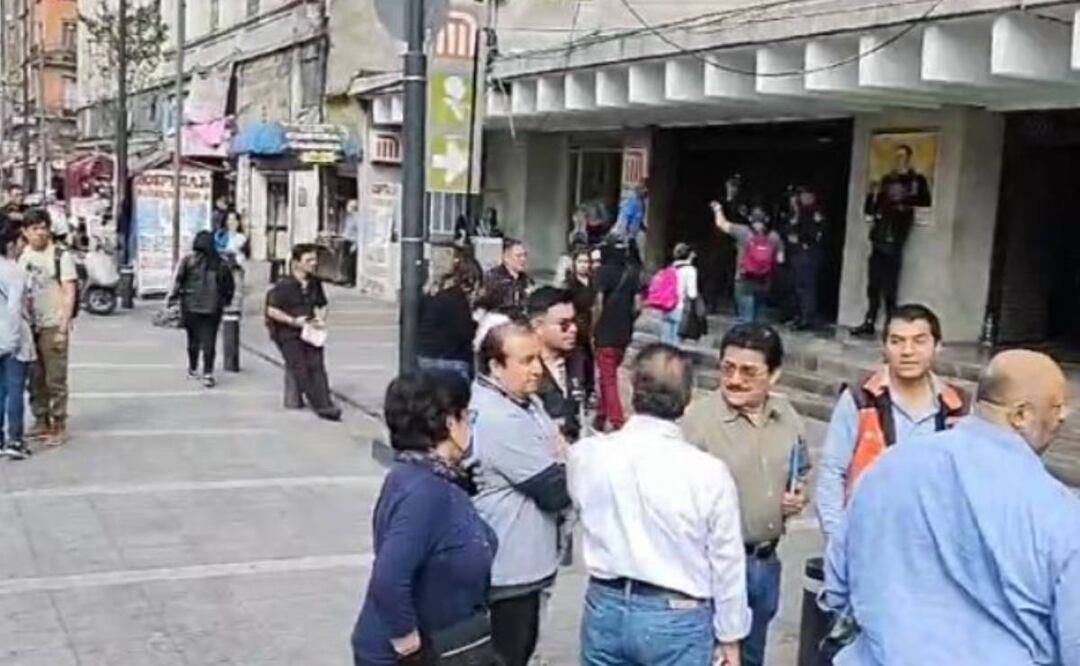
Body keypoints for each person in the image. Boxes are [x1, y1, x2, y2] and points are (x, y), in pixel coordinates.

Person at [822, 349, 1080, 666]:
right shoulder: (1059, 513)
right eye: (1056, 406)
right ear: (1021, 415)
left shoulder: (887, 468)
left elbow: (837, 585)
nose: (1064, 416)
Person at [570, 344, 750, 666]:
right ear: (688, 398)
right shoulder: (708, 473)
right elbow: (727, 562)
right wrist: (730, 636)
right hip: (676, 613)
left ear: (632, 387)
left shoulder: (588, 455)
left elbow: (580, 506)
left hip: (607, 603)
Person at [682, 323, 811, 666]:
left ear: (774, 375)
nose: (735, 379)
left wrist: (799, 497)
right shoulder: (698, 422)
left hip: (764, 562)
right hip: (711, 568)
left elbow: (803, 469)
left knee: (752, 657)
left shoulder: (788, 417)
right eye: (728, 368)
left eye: (749, 372)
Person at [351, 372, 498, 666]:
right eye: (468, 416)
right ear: (450, 424)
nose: (472, 425)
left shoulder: (425, 476)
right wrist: (410, 649)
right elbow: (389, 577)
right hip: (411, 653)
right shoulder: (426, 492)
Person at [814, 304, 968, 543]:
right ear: (885, 347)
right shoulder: (860, 398)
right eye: (897, 341)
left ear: (937, 346)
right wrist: (838, 543)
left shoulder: (957, 407)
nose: (907, 351)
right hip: (868, 539)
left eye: (919, 341)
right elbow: (832, 473)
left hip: (935, 546)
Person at [470, 322, 570, 666]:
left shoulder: (526, 402)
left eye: (538, 359)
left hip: (529, 563)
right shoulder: (499, 417)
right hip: (510, 568)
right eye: (526, 361)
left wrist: (562, 455)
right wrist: (560, 456)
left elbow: (563, 451)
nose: (537, 369)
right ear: (496, 367)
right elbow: (557, 490)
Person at [850, 146, 929, 337]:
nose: (899, 160)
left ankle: (890, 323)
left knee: (890, 286)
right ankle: (869, 320)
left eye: (902, 157)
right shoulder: (887, 180)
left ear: (909, 158)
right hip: (878, 238)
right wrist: (872, 194)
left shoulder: (915, 180)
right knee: (873, 284)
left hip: (894, 239)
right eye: (896, 157)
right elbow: (872, 208)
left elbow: (923, 202)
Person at [19, 208, 77, 447]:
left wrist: (64, 327)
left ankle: (59, 424)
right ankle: (40, 418)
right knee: (34, 378)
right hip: (30, 326)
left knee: (56, 378)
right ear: (25, 232)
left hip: (53, 324)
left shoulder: (60, 255)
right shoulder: (24, 256)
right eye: (35, 229)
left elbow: (69, 291)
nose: (40, 233)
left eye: (44, 227)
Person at [265, 243, 342, 421]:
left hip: (310, 329)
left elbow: (322, 305)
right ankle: (319, 405)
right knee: (301, 367)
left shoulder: (314, 283)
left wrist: (320, 320)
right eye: (309, 260)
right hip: (288, 333)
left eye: (315, 260)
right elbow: (272, 310)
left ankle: (326, 401)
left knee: (317, 365)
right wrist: (293, 321)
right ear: (296, 263)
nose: (313, 263)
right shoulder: (285, 284)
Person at [168, 230, 235, 388]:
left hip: (190, 305)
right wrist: (226, 301)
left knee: (193, 339)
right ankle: (208, 373)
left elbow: (179, 280)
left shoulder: (189, 260)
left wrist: (173, 297)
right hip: (213, 307)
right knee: (209, 340)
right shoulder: (220, 263)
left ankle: (192, 368)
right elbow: (229, 286)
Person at [591, 239, 641, 433]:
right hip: (624, 332)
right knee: (607, 375)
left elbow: (598, 303)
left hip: (605, 331)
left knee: (608, 378)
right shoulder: (632, 274)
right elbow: (638, 306)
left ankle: (616, 419)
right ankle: (601, 415)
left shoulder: (602, 273)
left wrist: (594, 327)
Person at [711, 202, 784, 323]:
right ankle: (758, 339)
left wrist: (717, 209)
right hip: (764, 281)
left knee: (745, 318)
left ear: (750, 219)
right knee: (759, 318)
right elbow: (781, 259)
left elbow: (721, 224)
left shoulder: (743, 232)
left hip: (744, 279)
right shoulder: (774, 236)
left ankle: (743, 340)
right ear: (767, 219)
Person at [527, 287, 583, 442]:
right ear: (537, 325)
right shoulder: (522, 367)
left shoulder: (578, 360)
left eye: (575, 322)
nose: (573, 329)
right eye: (563, 324)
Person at [417, 257, 481, 382]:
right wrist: (476, 325)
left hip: (426, 355)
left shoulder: (435, 296)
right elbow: (465, 334)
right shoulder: (457, 300)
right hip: (450, 359)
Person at [0, 219, 33, 460]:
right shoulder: (15, 271)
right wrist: (12, 341)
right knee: (14, 390)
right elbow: (13, 309)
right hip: (10, 338)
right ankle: (15, 439)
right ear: (11, 244)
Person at [784, 187, 826, 330]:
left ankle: (806, 318)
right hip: (797, 253)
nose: (804, 198)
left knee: (807, 287)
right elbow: (789, 231)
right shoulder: (797, 212)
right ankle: (797, 315)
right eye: (802, 195)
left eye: (807, 195)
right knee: (796, 286)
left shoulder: (816, 212)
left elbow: (815, 233)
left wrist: (801, 239)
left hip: (809, 253)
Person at [564, 246, 596, 405]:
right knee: (576, 360)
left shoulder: (594, 282)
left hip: (591, 326)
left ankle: (590, 391)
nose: (584, 265)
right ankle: (577, 390)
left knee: (590, 361)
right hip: (576, 326)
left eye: (586, 262)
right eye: (581, 261)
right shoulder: (570, 284)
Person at [477, 238, 530, 317]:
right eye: (518, 256)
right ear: (506, 257)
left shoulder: (525, 279)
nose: (523, 259)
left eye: (524, 255)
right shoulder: (492, 278)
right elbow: (481, 305)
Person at [659, 243, 698, 346]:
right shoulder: (690, 270)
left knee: (665, 341)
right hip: (680, 308)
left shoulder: (670, 267)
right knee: (676, 343)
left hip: (667, 306)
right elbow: (692, 293)